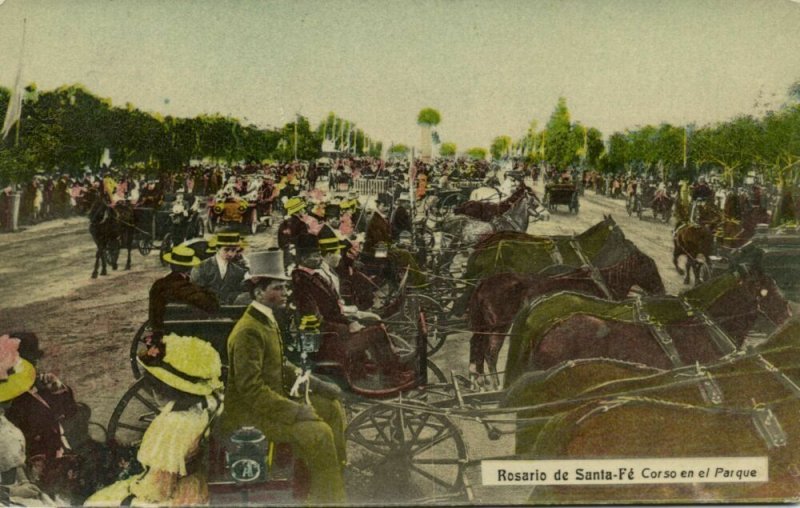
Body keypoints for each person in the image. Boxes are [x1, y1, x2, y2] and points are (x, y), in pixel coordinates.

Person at [221, 249, 347, 505]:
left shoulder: (265, 319)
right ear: (258, 291)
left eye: (285, 288)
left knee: (332, 408)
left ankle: (331, 475)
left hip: (269, 406)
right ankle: (327, 499)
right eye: (279, 288)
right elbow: (251, 390)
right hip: (250, 416)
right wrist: (298, 411)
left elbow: (281, 365)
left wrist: (319, 385)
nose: (286, 293)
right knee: (319, 432)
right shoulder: (248, 331)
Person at [86, 333, 224, 506]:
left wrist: (133, 493)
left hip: (175, 495)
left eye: (154, 388)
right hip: (195, 482)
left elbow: (158, 489)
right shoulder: (208, 404)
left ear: (163, 390)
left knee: (94, 503)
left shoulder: (174, 424)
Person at [291, 234, 415, 385]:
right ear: (303, 259)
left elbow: (331, 310)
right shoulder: (303, 282)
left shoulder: (309, 276)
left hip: (333, 335)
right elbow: (316, 320)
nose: (319, 258)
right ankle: (391, 377)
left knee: (373, 326)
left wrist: (349, 322)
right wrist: (348, 326)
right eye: (315, 255)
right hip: (330, 341)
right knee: (376, 332)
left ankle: (380, 367)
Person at [0, 334, 57, 506]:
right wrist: (13, 491)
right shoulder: (15, 410)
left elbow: (14, 461)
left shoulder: (3, 419)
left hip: (18, 486)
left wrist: (24, 481)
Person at [149, 245, 220, 342]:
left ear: (171, 264)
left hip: (162, 332)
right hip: (183, 336)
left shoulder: (157, 285)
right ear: (190, 268)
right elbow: (212, 305)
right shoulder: (186, 288)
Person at [190, 231, 248, 305]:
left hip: (227, 310)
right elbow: (196, 290)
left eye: (233, 250)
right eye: (226, 250)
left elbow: (239, 290)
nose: (230, 254)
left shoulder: (238, 271)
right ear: (217, 249)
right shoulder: (201, 267)